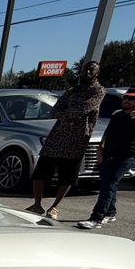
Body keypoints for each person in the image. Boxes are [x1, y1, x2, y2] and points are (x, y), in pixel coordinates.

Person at [25, 60, 104, 220]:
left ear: (97, 72)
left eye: (91, 70)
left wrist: (68, 113)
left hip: (77, 139)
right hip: (57, 137)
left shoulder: (98, 91)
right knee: (40, 173)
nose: (87, 73)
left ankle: (54, 207)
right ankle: (37, 204)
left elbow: (83, 109)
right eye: (85, 70)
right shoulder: (72, 91)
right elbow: (54, 111)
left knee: (67, 176)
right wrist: (67, 114)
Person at [79, 83, 135, 229]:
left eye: (132, 98)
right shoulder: (118, 115)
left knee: (108, 185)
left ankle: (96, 217)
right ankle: (110, 212)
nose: (127, 100)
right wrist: (100, 150)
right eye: (126, 97)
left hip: (126, 156)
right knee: (108, 183)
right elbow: (107, 134)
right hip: (109, 154)